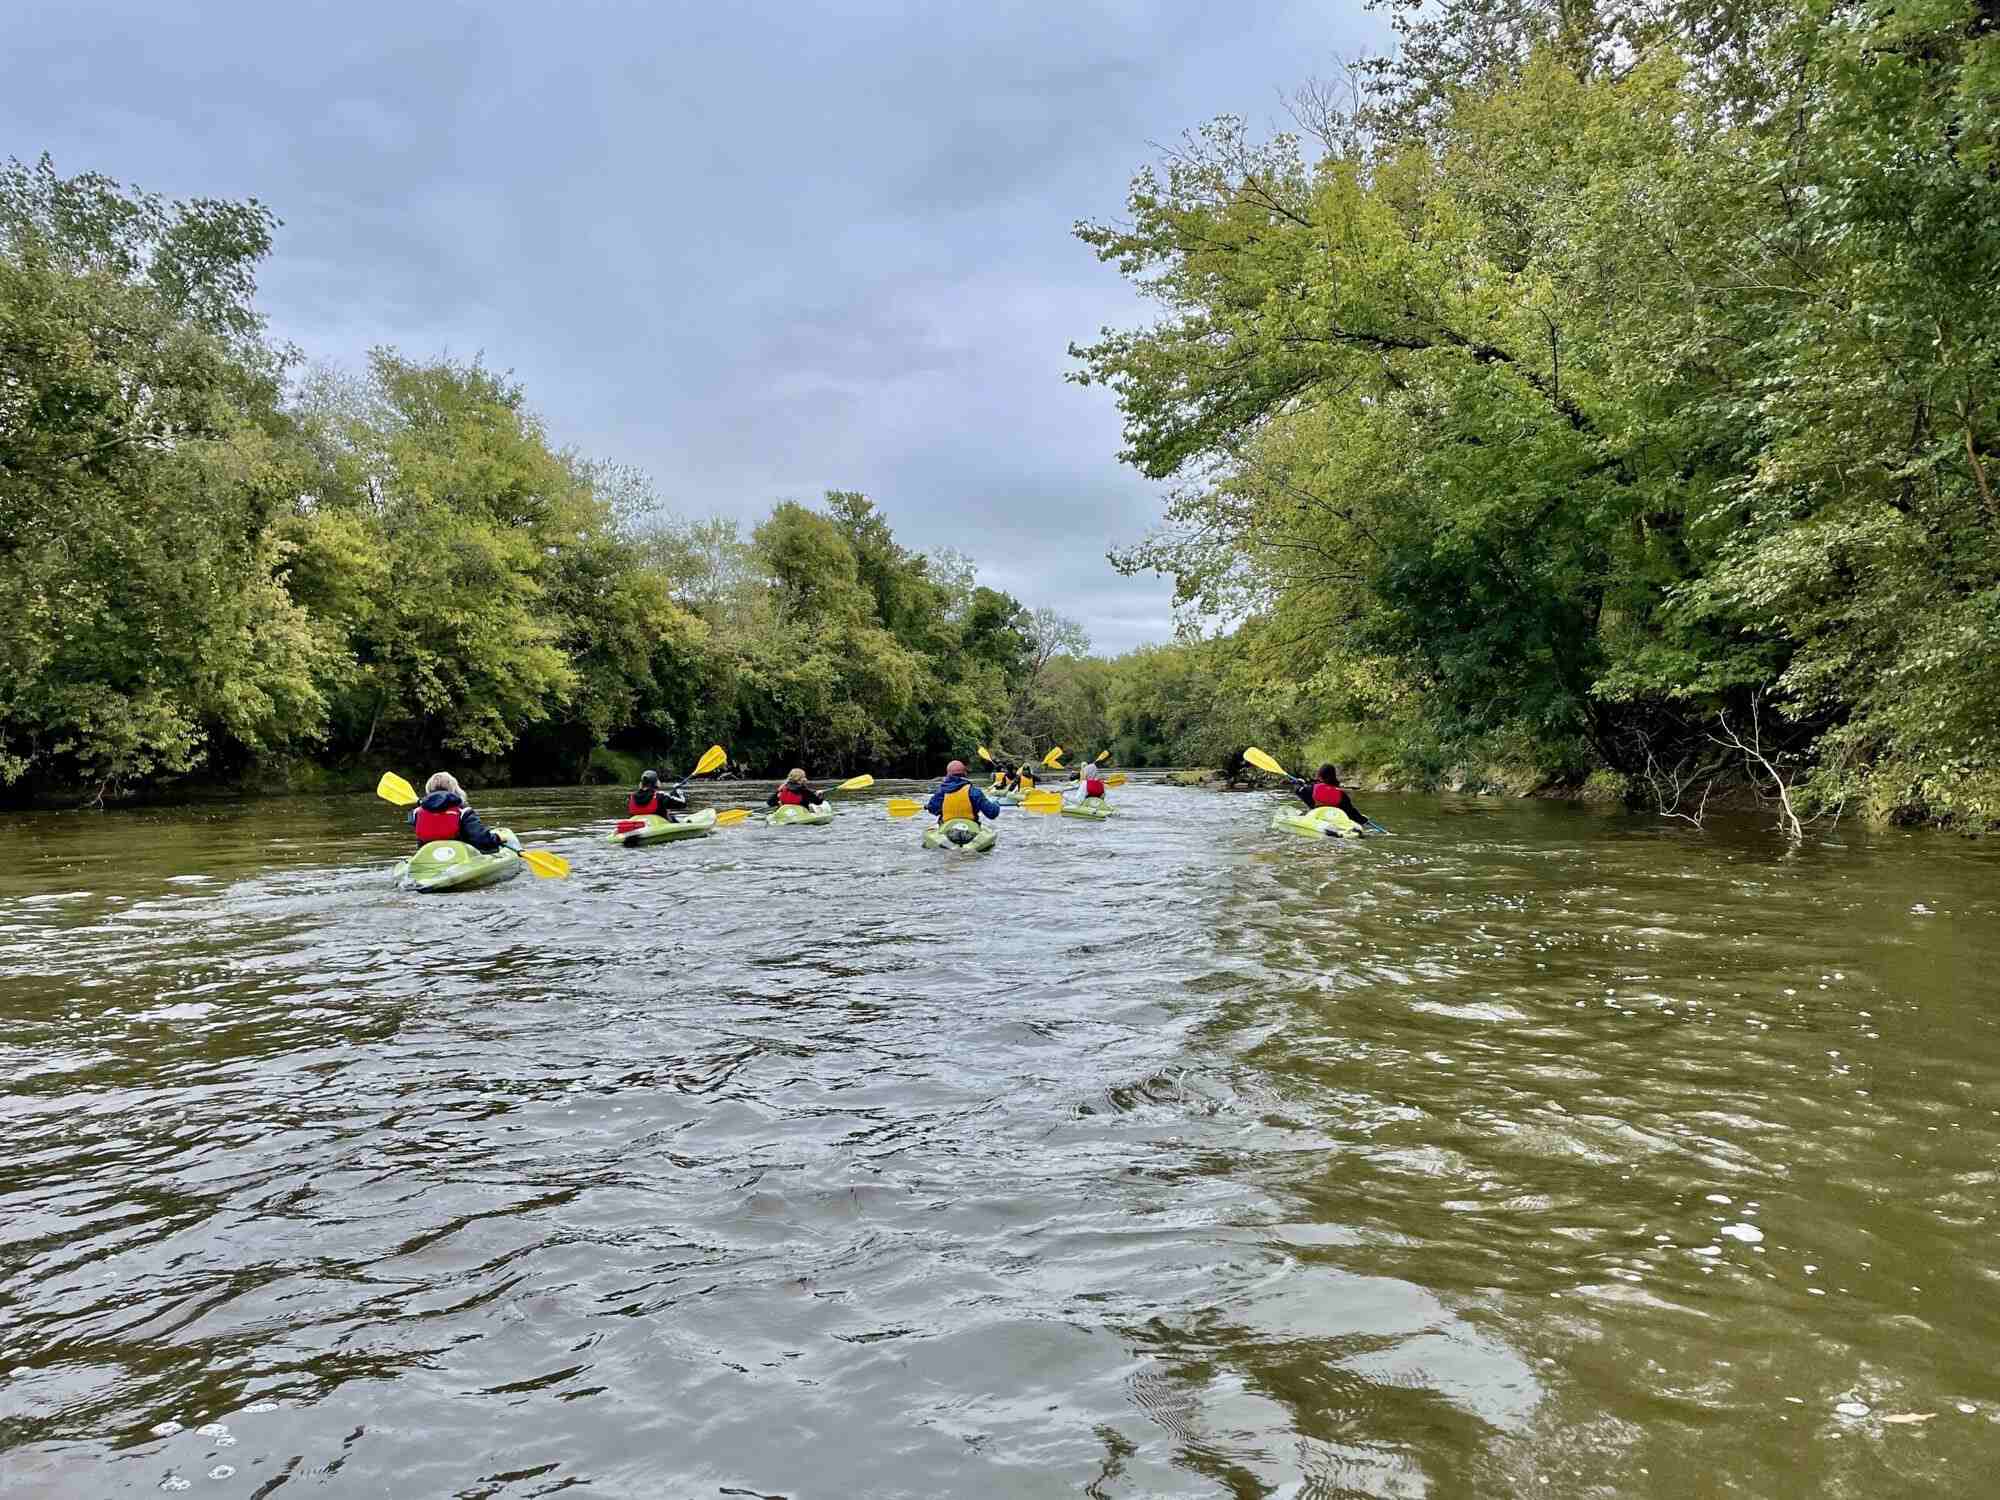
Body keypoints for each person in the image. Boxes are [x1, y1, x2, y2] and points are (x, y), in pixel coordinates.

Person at [410, 772, 511, 852]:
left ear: (429, 789)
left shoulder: (416, 813)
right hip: (460, 855)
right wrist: (497, 838)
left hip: (428, 856)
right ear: (454, 789)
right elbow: (481, 839)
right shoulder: (463, 812)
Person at [926, 759, 1003, 828]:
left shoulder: (941, 792)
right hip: (971, 828)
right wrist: (996, 804)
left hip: (946, 827)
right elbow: (992, 813)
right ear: (965, 774)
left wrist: (934, 808)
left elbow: (932, 809)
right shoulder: (974, 792)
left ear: (948, 774)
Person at [1295, 764, 1369, 825]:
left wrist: (1299, 783)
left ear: (1320, 777)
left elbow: (1298, 791)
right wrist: (1362, 819)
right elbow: (1351, 812)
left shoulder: (1311, 789)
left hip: (1317, 818)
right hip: (1335, 821)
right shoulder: (1341, 795)